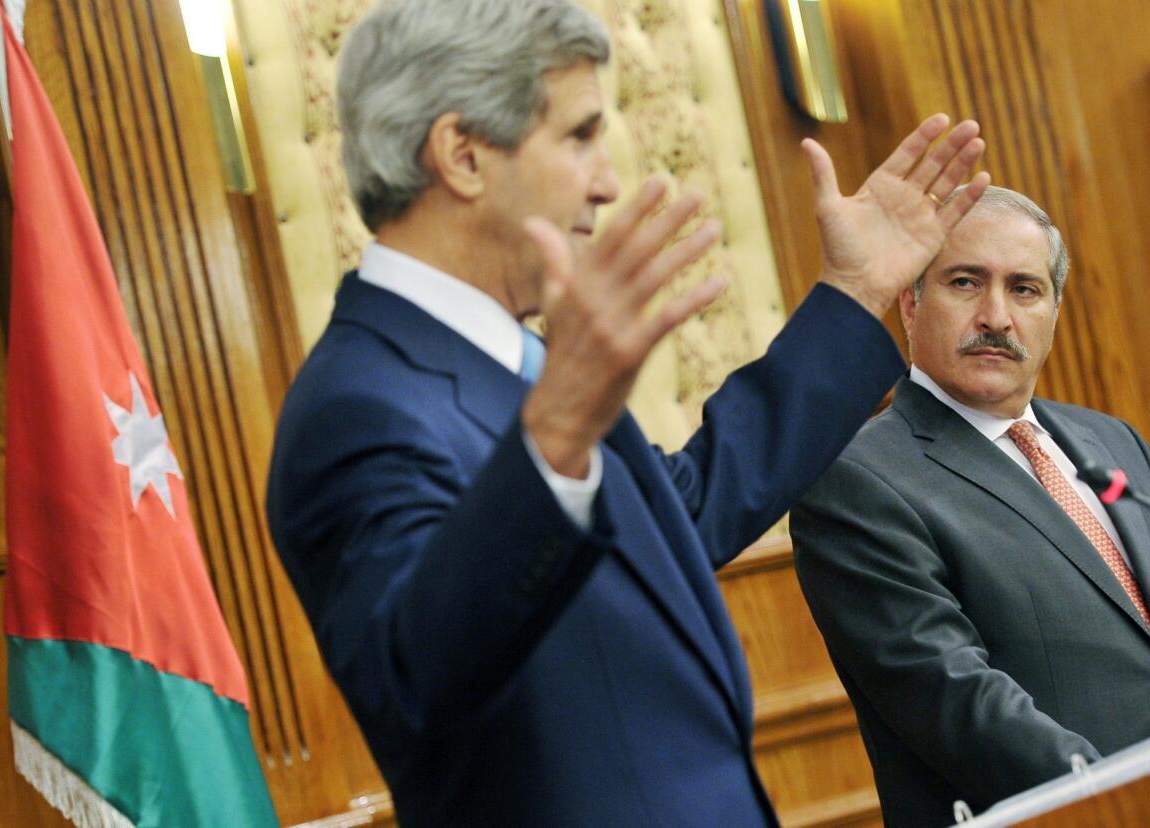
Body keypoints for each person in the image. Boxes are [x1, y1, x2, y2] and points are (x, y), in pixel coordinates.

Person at [266, 1, 988, 824]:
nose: (608, 181)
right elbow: (415, 678)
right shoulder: (354, 407)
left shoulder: (520, 360)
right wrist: (560, 430)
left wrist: (856, 295)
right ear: (462, 155)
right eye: (578, 137)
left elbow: (682, 511)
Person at [791, 185, 1150, 827]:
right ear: (910, 302)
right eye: (965, 282)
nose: (996, 317)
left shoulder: (1112, 442)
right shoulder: (854, 481)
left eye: (1024, 289)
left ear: (1054, 311)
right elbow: (955, 700)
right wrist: (1115, 795)